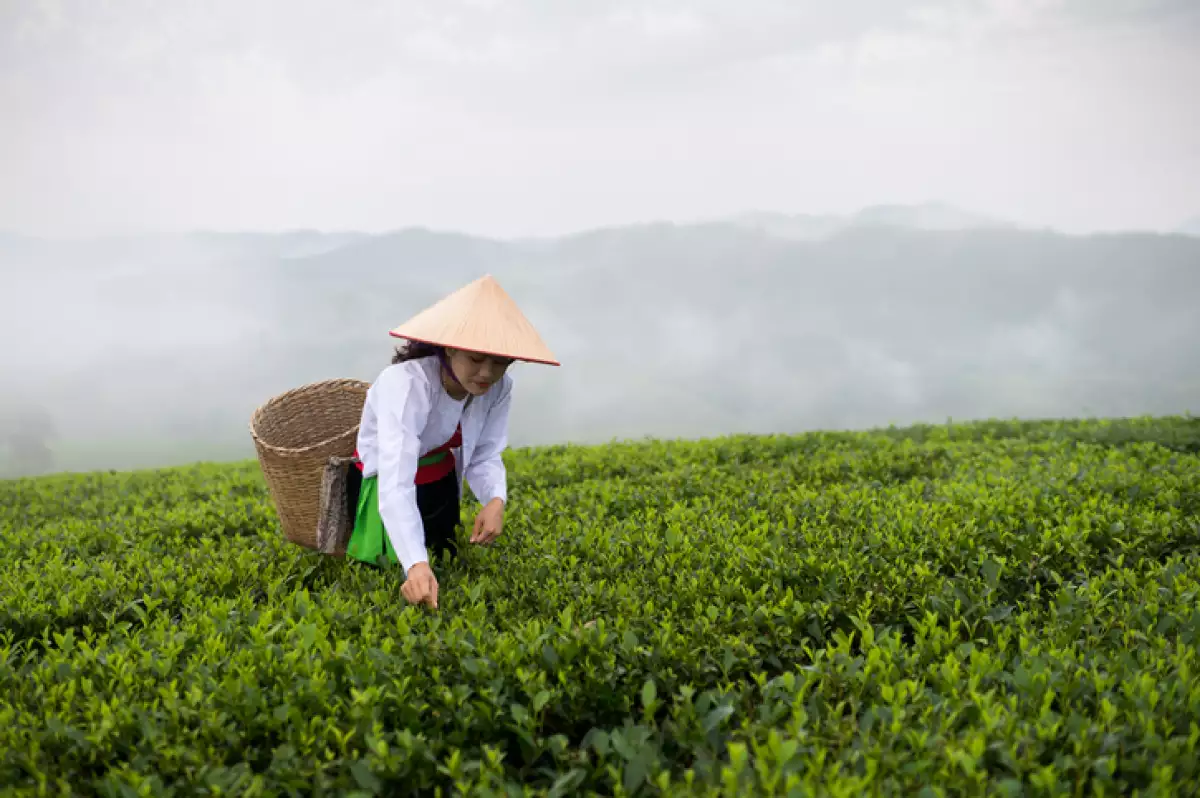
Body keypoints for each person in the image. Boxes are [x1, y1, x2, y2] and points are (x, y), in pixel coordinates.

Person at [345, 274, 559, 609]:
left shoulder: (499, 388)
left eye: (500, 362)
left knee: (444, 557)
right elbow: (396, 480)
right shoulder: (406, 384)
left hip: (439, 483)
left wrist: (495, 499)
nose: (487, 373)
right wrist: (415, 564)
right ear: (449, 347)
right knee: (387, 571)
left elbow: (485, 452)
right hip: (386, 486)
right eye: (475, 359)